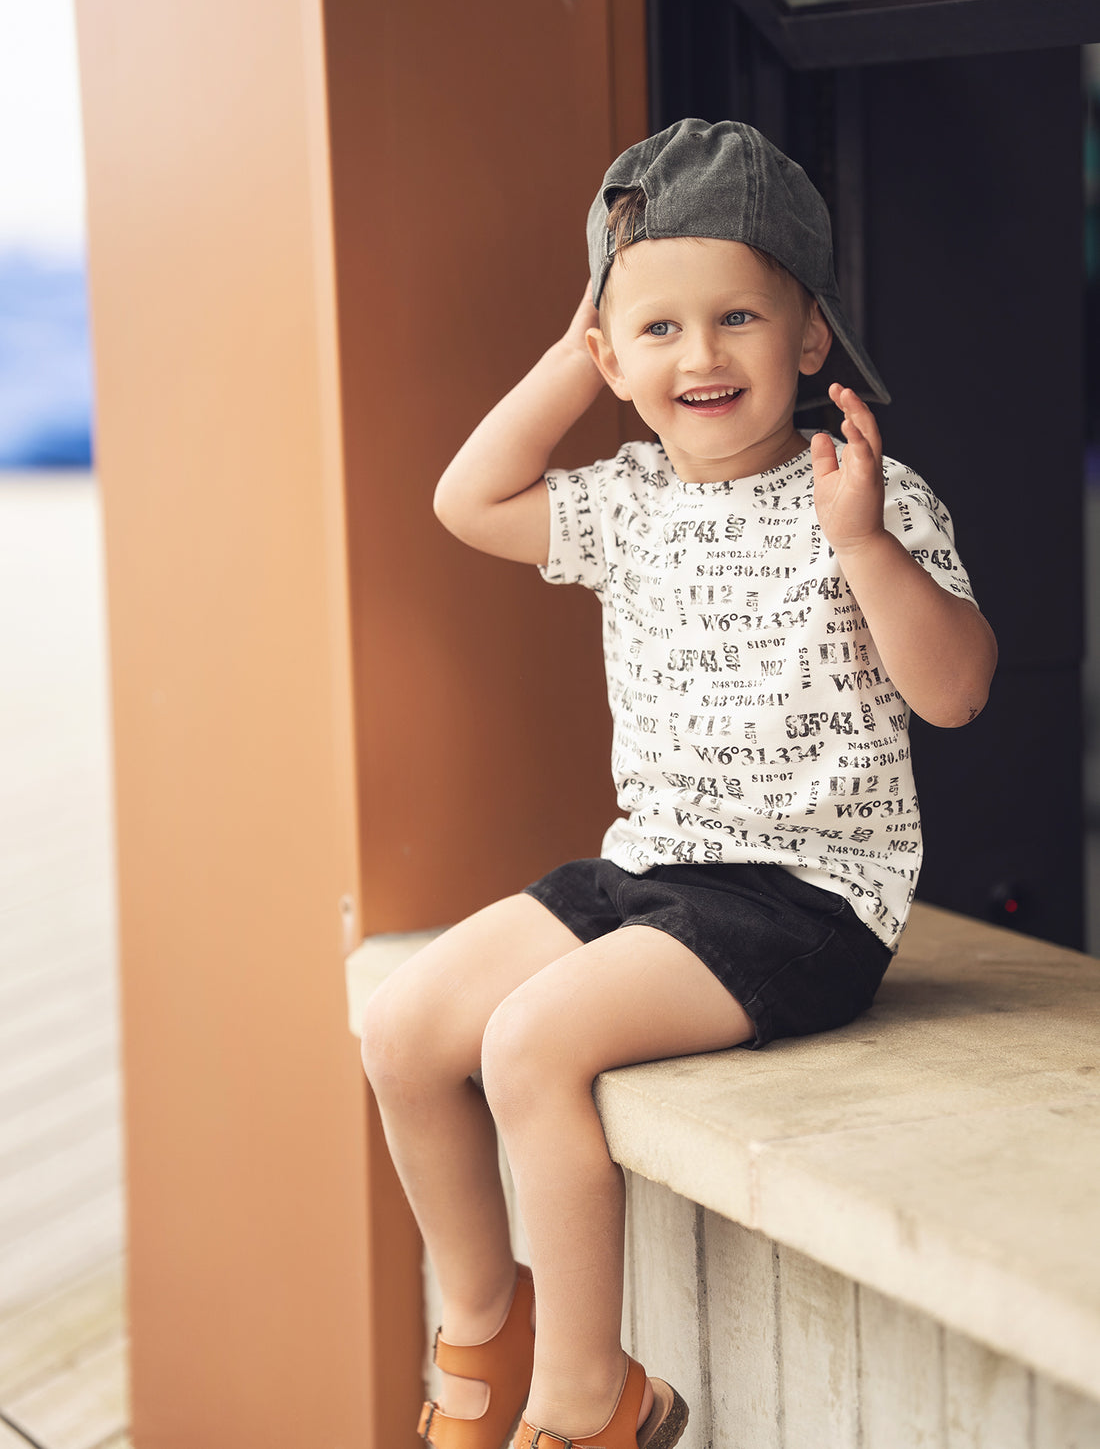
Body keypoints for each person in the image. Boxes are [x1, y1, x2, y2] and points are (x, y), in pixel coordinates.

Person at [360, 118, 998, 1449]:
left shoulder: (864, 494)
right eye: (657, 329)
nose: (700, 354)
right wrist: (580, 336)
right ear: (608, 353)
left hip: (804, 899)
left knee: (530, 1040)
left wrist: (866, 546)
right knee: (411, 1023)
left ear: (808, 336)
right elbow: (465, 498)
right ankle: (488, 1323)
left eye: (737, 317)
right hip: (654, 870)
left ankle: (594, 1400)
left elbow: (957, 690)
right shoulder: (626, 499)